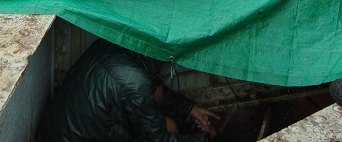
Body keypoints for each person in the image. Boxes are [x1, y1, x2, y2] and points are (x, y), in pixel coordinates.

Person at [37, 38, 220, 141]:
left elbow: (154, 93)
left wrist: (189, 109)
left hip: (55, 132)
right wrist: (203, 137)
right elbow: (158, 140)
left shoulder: (121, 45)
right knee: (168, 127)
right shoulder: (135, 82)